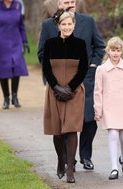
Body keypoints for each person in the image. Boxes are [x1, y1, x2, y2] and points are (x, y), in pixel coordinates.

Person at [38, 0, 105, 171]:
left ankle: (86, 156)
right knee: (64, 124)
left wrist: (93, 66)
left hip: (85, 79)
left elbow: (100, 47)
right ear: (59, 5)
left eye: (73, 2)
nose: (71, 5)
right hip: (59, 82)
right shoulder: (48, 25)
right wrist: (54, 79)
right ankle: (69, 160)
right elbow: (42, 54)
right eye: (67, 2)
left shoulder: (88, 21)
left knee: (88, 120)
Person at [42, 10, 88, 183]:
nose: (67, 27)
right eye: (64, 24)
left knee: (71, 130)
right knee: (58, 132)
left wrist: (69, 88)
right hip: (54, 91)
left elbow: (83, 68)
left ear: (74, 25)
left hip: (74, 92)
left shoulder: (80, 44)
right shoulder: (50, 44)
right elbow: (46, 68)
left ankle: (70, 169)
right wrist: (56, 87)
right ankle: (60, 161)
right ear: (58, 25)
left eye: (70, 24)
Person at [94, 36, 123, 180]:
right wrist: (98, 109)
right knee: (113, 135)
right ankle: (114, 168)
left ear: (121, 52)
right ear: (108, 51)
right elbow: (98, 91)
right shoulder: (101, 70)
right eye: (112, 50)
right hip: (109, 108)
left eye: (118, 50)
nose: (115, 53)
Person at [0, 0, 30, 109]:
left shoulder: (17, 6)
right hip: (1, 42)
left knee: (17, 67)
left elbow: (21, 25)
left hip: (16, 41)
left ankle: (15, 96)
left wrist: (25, 41)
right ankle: (6, 98)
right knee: (3, 69)